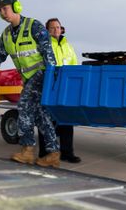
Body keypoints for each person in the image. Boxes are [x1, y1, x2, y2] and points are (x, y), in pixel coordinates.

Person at [0, 0, 60, 167]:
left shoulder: (33, 26)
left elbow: (49, 54)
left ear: (16, 7)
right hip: (28, 79)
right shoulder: (6, 35)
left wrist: (52, 80)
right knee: (41, 115)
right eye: (0, 10)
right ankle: (53, 154)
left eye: (5, 8)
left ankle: (27, 150)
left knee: (24, 106)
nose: (2, 12)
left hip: (43, 74)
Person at [38, 18, 81, 163]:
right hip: (50, 88)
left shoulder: (68, 45)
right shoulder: (44, 45)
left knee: (66, 121)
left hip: (66, 89)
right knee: (46, 121)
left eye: (58, 27)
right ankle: (44, 153)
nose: (56, 30)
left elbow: (74, 64)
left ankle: (67, 153)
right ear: (47, 30)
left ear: (61, 29)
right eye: (52, 28)